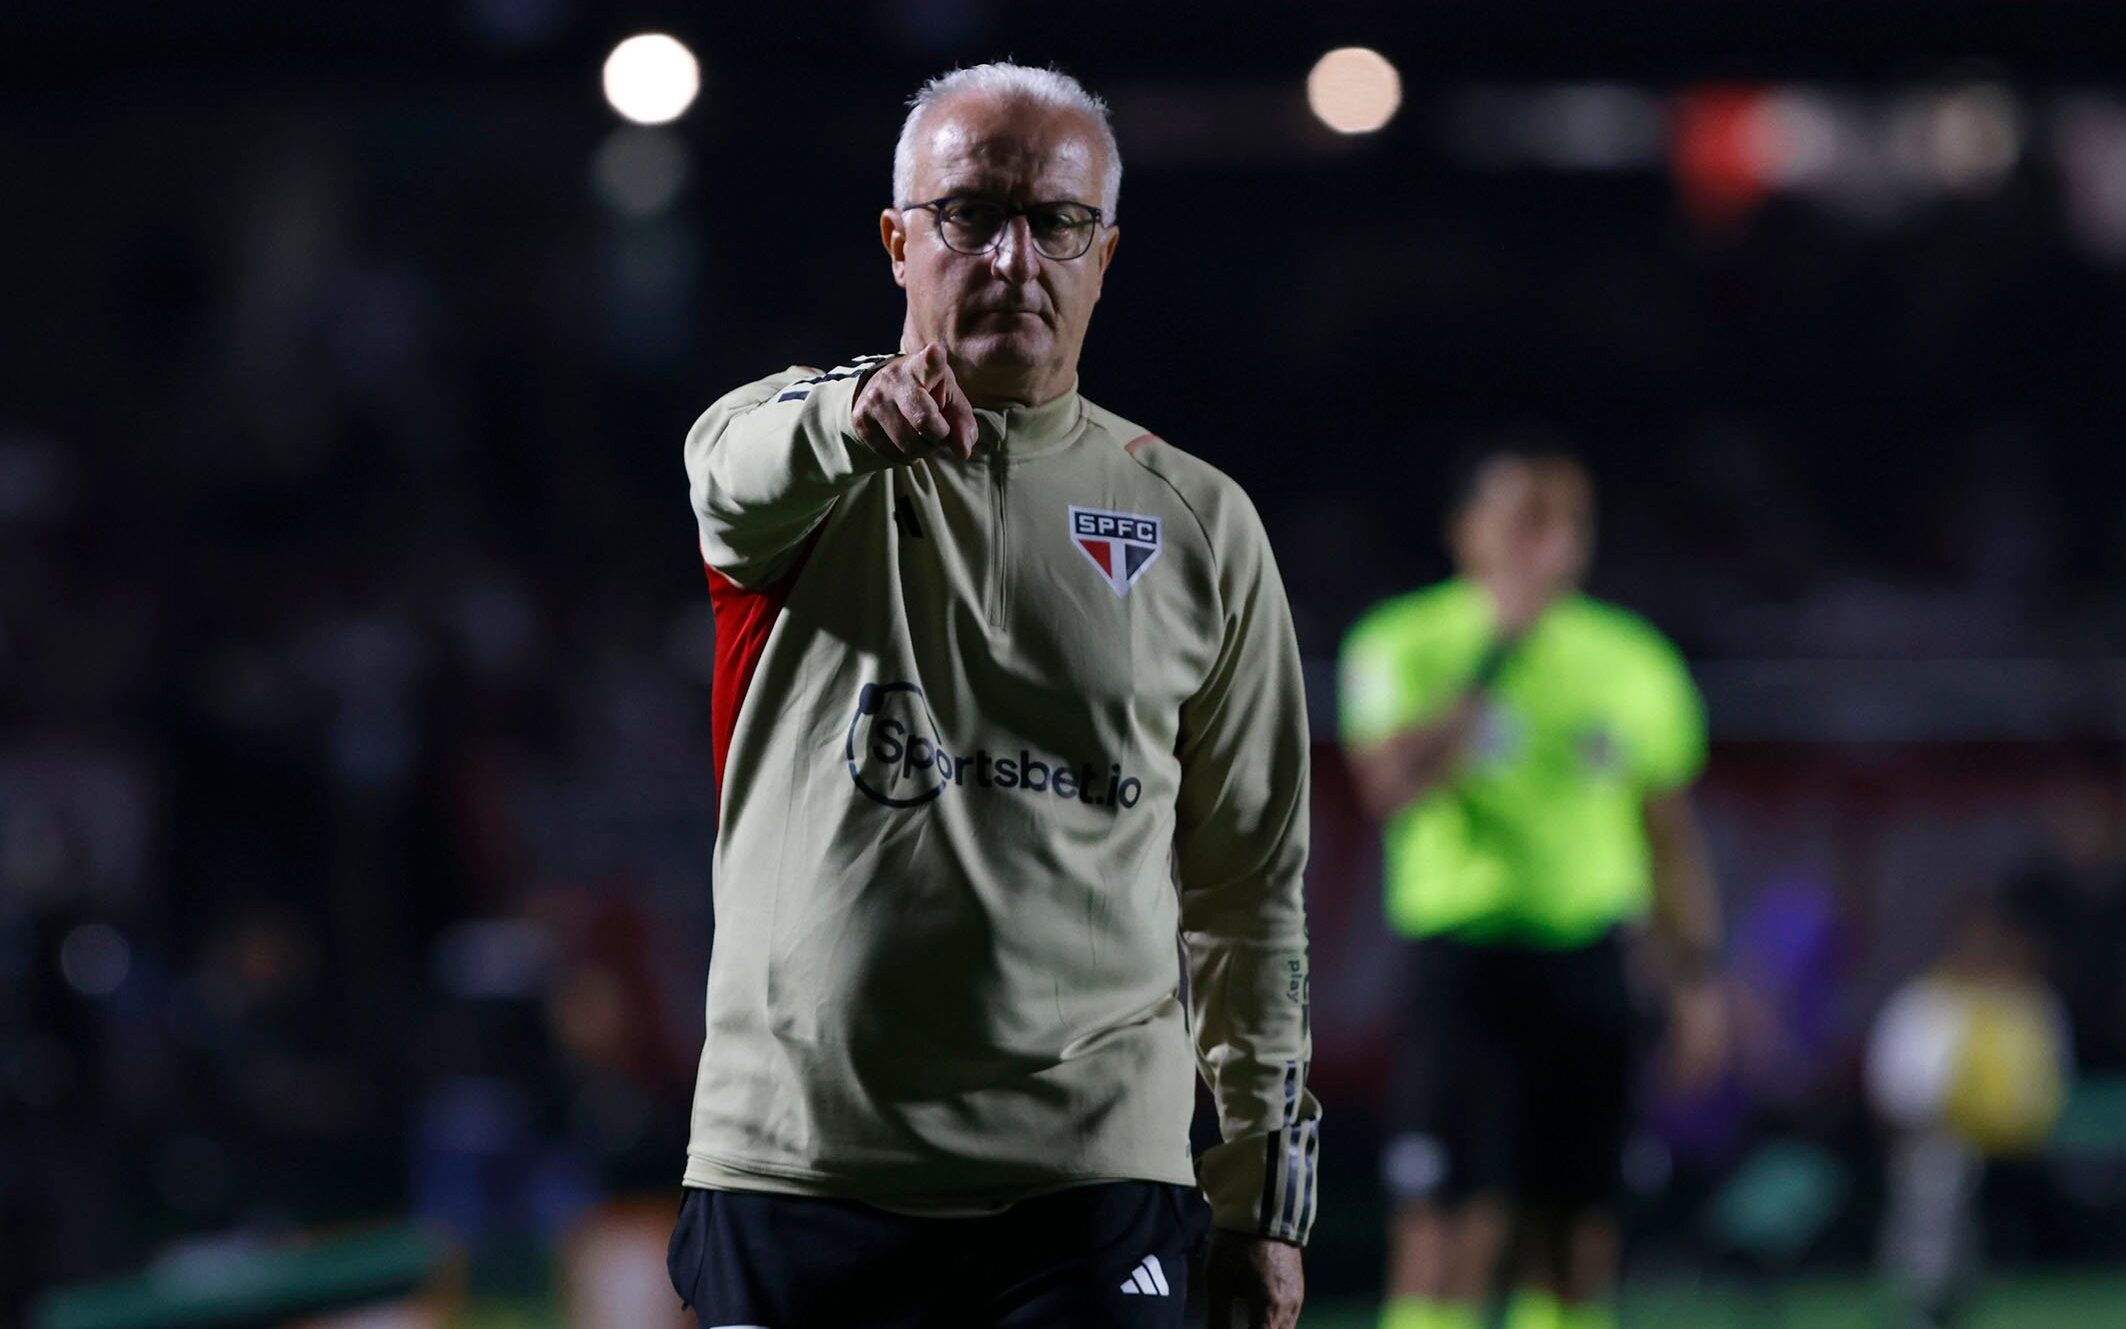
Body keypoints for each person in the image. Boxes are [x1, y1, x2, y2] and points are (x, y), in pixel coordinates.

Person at [669, 63, 1317, 1329]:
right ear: (897, 241)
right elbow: (727, 473)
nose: (1016, 257)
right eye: (970, 213)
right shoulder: (803, 455)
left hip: (1088, 1184)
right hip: (799, 1163)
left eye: (1057, 222)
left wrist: (1262, 1196)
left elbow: (1248, 892)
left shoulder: (1198, 526)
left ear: (1105, 253)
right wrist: (854, 419)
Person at [1339, 447, 1726, 1329]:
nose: (1546, 543)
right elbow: (1389, 787)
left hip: (1590, 967)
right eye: (1524, 520)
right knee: (1444, 1231)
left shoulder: (1632, 661)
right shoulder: (1405, 641)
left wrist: (1698, 976)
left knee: (1577, 1235)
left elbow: (1668, 833)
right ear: (1466, 532)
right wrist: (1489, 660)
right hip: (1464, 967)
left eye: (1565, 523)